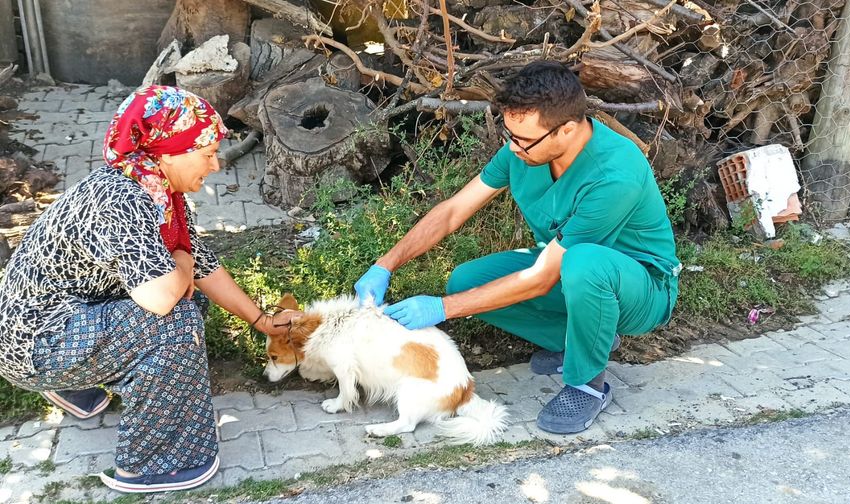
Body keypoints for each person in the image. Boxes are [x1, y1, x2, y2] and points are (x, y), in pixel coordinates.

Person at [354, 61, 681, 435]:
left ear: (568, 129)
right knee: (465, 281)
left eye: (523, 139)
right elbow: (453, 211)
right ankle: (582, 339)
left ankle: (587, 385)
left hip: (642, 290)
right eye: (510, 135)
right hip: (566, 267)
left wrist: (441, 310)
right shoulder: (524, 149)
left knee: (584, 262)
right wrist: (385, 264)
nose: (513, 147)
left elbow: (542, 278)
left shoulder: (615, 175)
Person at [0, 86, 297, 493]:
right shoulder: (124, 198)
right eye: (206, 153)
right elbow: (161, 297)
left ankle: (76, 385)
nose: (215, 165)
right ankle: (155, 464)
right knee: (175, 318)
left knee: (188, 296)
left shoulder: (156, 189)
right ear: (168, 150)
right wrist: (182, 264)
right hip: (34, 345)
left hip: (53, 322)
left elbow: (203, 265)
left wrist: (261, 321)